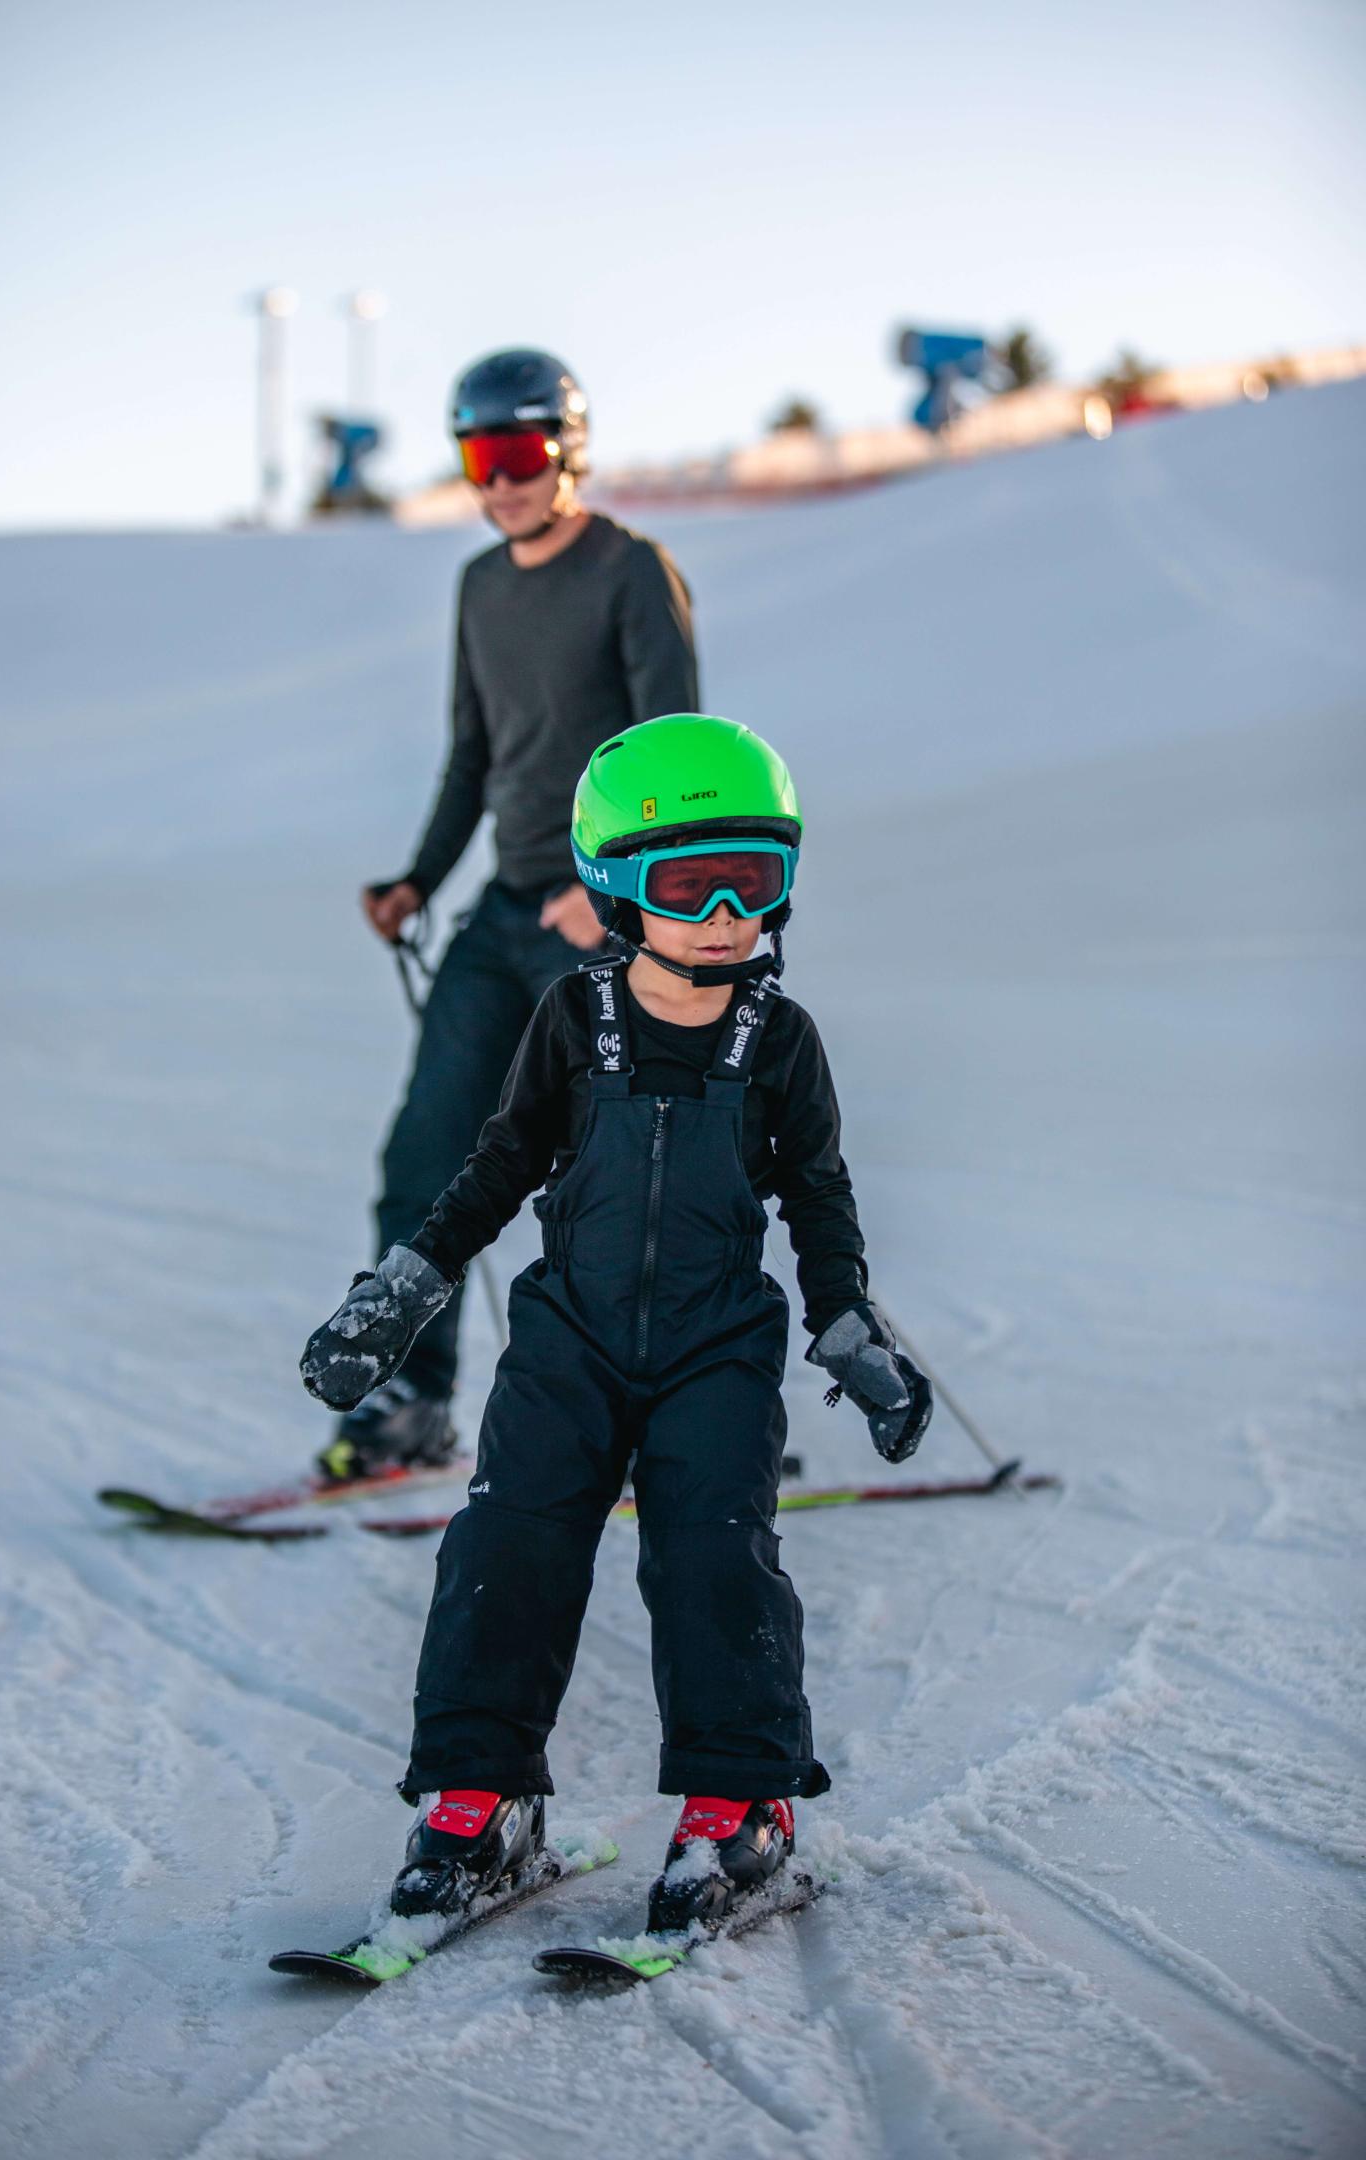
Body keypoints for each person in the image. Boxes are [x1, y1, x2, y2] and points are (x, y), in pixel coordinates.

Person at [301, 715, 933, 1933]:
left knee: (714, 1558)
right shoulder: (573, 1020)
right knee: (506, 1549)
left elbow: (818, 1193)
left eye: (757, 877)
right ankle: (479, 1803)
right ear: (615, 888)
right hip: (567, 1344)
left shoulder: (780, 1043)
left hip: (718, 1349)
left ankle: (741, 1810)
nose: (725, 911)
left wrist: (847, 1320)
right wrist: (405, 1288)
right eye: (689, 881)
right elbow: (495, 1169)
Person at [324, 347, 701, 1484]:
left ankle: (686, 1426)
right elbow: (475, 754)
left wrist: (608, 897)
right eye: (478, 459)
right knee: (426, 1155)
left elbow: (675, 763)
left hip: (607, 927)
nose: (498, 482)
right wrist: (417, 882)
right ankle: (410, 1404)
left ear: (565, 450)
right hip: (500, 923)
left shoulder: (633, 573)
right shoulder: (480, 587)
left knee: (630, 1179)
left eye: (518, 454)